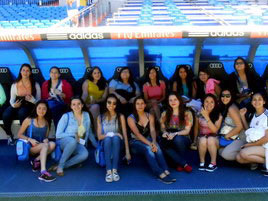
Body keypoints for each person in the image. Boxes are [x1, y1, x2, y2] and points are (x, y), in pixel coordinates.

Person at [128, 96, 176, 184]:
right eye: (137, 104)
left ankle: (166, 170)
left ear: (145, 105)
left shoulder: (149, 116)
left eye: (142, 103)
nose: (140, 106)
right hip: (135, 142)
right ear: (134, 105)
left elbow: (153, 130)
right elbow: (137, 134)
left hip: (148, 139)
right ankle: (159, 173)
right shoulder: (130, 118)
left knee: (156, 146)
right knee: (149, 149)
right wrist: (150, 144)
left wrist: (154, 141)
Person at [54, 97, 97, 176]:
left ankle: (63, 165)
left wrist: (96, 145)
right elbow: (58, 134)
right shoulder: (66, 116)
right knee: (72, 141)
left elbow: (89, 132)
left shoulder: (86, 115)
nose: (76, 106)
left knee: (84, 154)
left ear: (82, 105)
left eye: (79, 104)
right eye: (74, 104)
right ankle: (60, 166)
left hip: (78, 142)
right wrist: (74, 135)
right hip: (64, 141)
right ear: (71, 106)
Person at [17, 100, 56, 182]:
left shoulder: (46, 122)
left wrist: (46, 140)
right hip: (31, 148)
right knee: (46, 145)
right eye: (39, 108)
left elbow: (45, 137)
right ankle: (43, 172)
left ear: (46, 110)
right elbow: (19, 134)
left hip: (41, 147)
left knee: (53, 144)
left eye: (44, 109)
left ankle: (37, 160)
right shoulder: (29, 120)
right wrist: (30, 139)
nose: (41, 111)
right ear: (36, 109)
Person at [3, 64, 41, 145]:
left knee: (22, 113)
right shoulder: (15, 84)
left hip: (29, 104)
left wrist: (32, 100)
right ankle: (9, 135)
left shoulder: (35, 84)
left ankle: (23, 136)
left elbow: (39, 102)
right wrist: (14, 105)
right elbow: (11, 100)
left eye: (27, 70)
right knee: (6, 114)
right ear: (20, 71)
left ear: (30, 72)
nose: (25, 72)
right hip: (17, 104)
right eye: (23, 70)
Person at [97, 94, 131, 182]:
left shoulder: (120, 116)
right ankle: (108, 171)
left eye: (114, 103)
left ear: (116, 105)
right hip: (106, 143)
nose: (111, 105)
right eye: (109, 102)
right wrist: (114, 133)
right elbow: (100, 136)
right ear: (105, 103)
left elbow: (124, 134)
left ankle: (114, 170)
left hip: (118, 144)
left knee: (116, 139)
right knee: (108, 139)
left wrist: (127, 152)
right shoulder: (100, 117)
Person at [160, 92, 193, 173]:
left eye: (175, 99)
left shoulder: (187, 113)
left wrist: (175, 134)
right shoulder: (165, 114)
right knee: (162, 143)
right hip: (169, 137)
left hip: (183, 138)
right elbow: (162, 128)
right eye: (170, 100)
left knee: (177, 139)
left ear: (179, 100)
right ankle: (182, 164)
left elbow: (187, 131)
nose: (173, 102)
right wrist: (165, 133)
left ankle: (179, 163)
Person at [236, 92, 268, 176]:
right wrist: (242, 116)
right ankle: (265, 162)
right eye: (254, 99)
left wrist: (248, 145)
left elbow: (266, 138)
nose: (257, 102)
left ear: (264, 101)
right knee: (239, 158)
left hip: (266, 146)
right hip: (260, 145)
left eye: (259, 99)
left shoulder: (267, 115)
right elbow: (249, 132)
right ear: (251, 102)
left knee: (243, 153)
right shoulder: (255, 114)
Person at [194, 94, 222, 172]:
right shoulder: (199, 113)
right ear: (203, 103)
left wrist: (206, 116)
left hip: (214, 139)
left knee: (210, 139)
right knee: (203, 139)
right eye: (206, 101)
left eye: (212, 102)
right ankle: (202, 162)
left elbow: (215, 130)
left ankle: (213, 163)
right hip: (202, 137)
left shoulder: (218, 115)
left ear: (215, 104)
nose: (209, 104)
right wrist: (195, 140)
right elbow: (196, 128)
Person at [218, 89, 245, 161]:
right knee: (219, 151)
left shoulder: (231, 108)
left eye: (227, 96)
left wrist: (227, 135)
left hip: (240, 137)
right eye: (223, 96)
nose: (225, 98)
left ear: (231, 96)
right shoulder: (226, 106)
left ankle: (249, 159)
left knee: (225, 154)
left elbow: (240, 126)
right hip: (232, 137)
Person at [82, 67, 108, 133]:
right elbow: (85, 94)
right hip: (86, 102)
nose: (97, 74)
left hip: (98, 103)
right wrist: (82, 104)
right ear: (91, 75)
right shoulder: (87, 82)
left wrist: (96, 101)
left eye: (98, 73)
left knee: (95, 107)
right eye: (95, 73)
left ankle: (97, 132)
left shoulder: (105, 84)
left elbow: (104, 98)